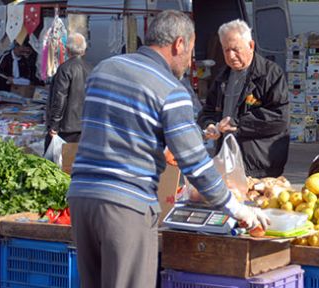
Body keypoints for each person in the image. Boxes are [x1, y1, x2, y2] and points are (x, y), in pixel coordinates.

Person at [67, 11, 268, 288]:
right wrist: (236, 208)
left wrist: (154, 146)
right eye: (191, 50)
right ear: (179, 44)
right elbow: (195, 163)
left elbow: (112, 129)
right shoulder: (171, 90)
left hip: (82, 197)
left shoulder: (104, 68)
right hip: (125, 205)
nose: (190, 60)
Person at [197, 19, 289, 178]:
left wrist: (238, 122)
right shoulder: (222, 76)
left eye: (235, 49)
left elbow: (279, 118)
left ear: (251, 46)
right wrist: (210, 124)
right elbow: (208, 110)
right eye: (226, 50)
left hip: (260, 166)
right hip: (227, 162)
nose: (231, 56)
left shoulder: (270, 74)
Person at [44, 33, 92, 152]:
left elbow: (60, 98)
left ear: (67, 50)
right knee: (76, 160)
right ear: (84, 50)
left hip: (67, 126)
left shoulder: (65, 69)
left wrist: (54, 125)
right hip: (85, 125)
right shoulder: (91, 68)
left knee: (60, 162)